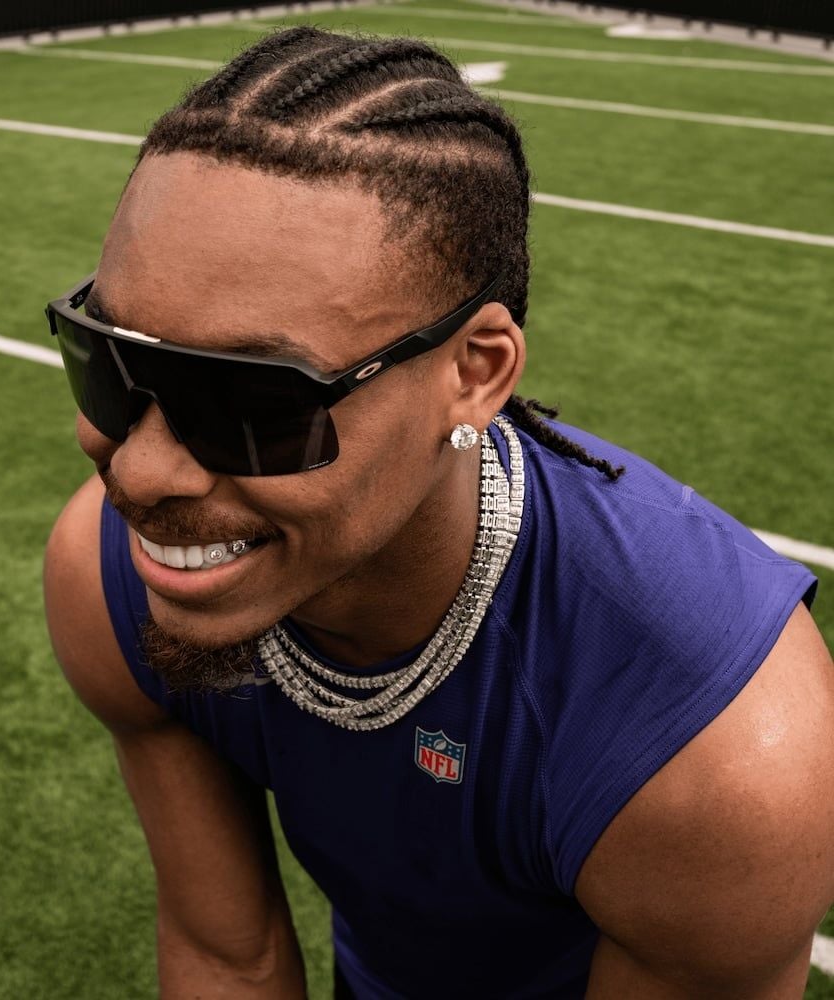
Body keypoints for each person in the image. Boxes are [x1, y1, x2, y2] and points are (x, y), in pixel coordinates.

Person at [43, 26, 834, 999]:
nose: (140, 470)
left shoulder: (713, 747)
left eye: (253, 404)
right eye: (108, 358)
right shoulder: (113, 569)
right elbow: (225, 954)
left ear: (475, 373)